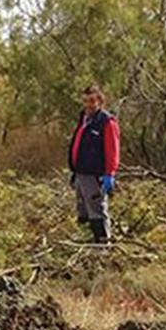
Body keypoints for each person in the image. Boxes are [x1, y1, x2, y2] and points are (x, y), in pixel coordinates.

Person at [67, 84, 120, 244]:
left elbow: (113, 150)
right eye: (85, 101)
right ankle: (86, 245)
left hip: (95, 175)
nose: (88, 105)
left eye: (91, 101)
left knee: (97, 211)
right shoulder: (83, 118)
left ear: (99, 101)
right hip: (80, 173)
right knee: (83, 211)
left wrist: (109, 174)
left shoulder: (106, 122)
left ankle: (103, 246)